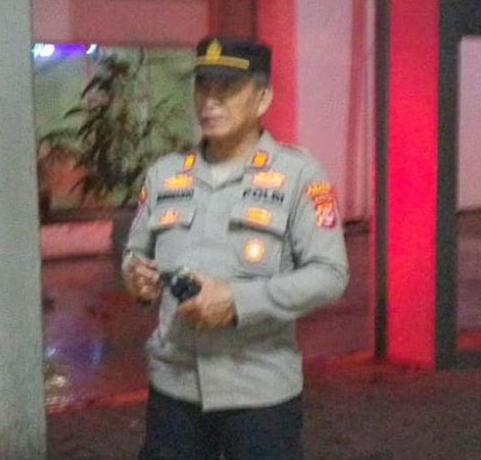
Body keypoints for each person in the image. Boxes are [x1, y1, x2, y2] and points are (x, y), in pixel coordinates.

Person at [121, 37, 349, 460]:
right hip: (175, 391)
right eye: (203, 87)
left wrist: (237, 302)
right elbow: (135, 253)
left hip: (259, 393)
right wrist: (136, 275)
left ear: (263, 98)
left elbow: (329, 274)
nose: (210, 101)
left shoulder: (298, 176)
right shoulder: (165, 174)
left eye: (226, 89)